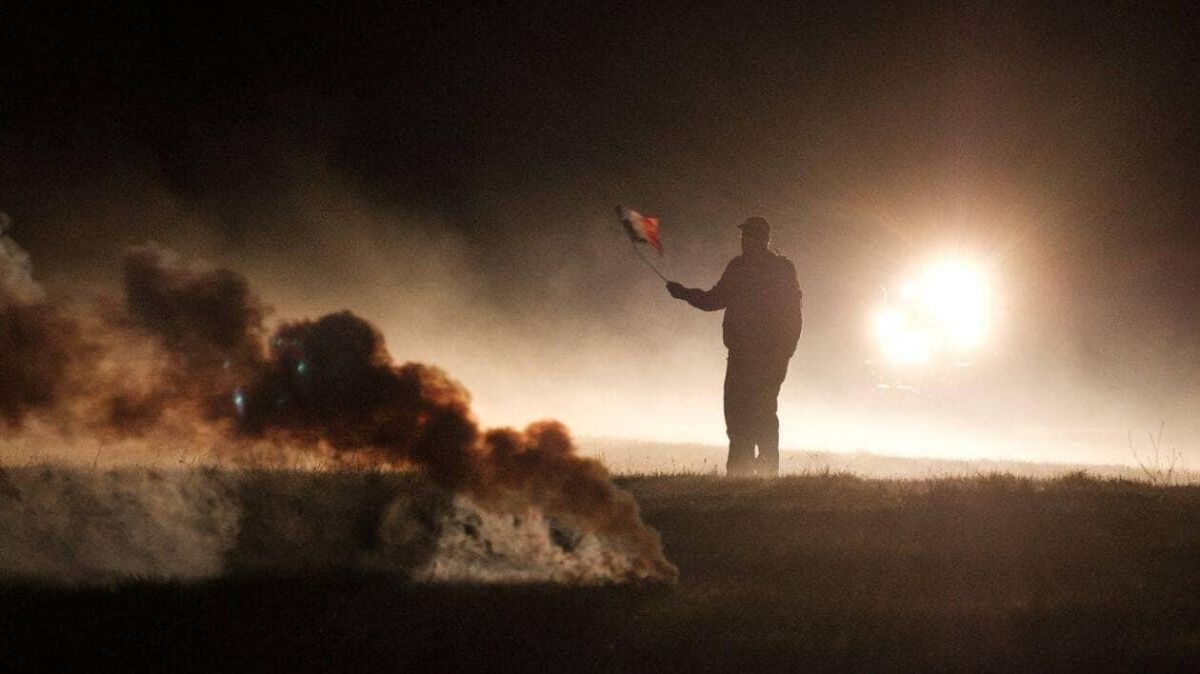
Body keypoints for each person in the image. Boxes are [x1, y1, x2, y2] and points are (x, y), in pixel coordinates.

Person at [667, 216, 802, 477]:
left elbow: (791, 315)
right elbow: (715, 299)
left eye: (750, 236)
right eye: (743, 237)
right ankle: (750, 474)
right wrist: (684, 293)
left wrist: (784, 352)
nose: (745, 241)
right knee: (746, 413)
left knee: (755, 412)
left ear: (763, 239)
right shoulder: (754, 267)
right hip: (747, 355)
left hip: (763, 357)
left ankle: (752, 473)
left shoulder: (763, 269)